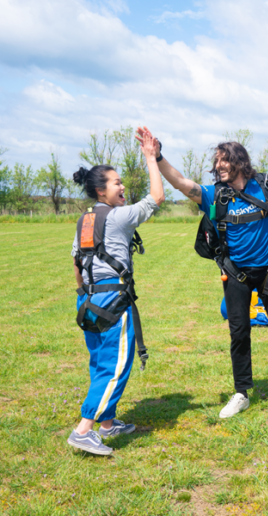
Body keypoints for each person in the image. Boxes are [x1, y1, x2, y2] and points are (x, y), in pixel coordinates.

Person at [136, 127, 268, 419]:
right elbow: (179, 183)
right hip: (235, 274)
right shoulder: (215, 196)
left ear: (239, 161)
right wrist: (157, 156)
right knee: (238, 333)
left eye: (223, 160)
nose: (218, 166)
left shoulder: (264, 188)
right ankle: (241, 393)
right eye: (216, 161)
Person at [67, 131, 165, 455]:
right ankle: (84, 430)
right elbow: (156, 198)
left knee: (99, 363)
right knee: (115, 366)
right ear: (101, 190)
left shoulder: (85, 219)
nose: (122, 188)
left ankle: (108, 424)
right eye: (117, 183)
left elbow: (77, 263)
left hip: (89, 302)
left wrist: (86, 294)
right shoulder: (120, 217)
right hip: (112, 302)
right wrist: (151, 157)